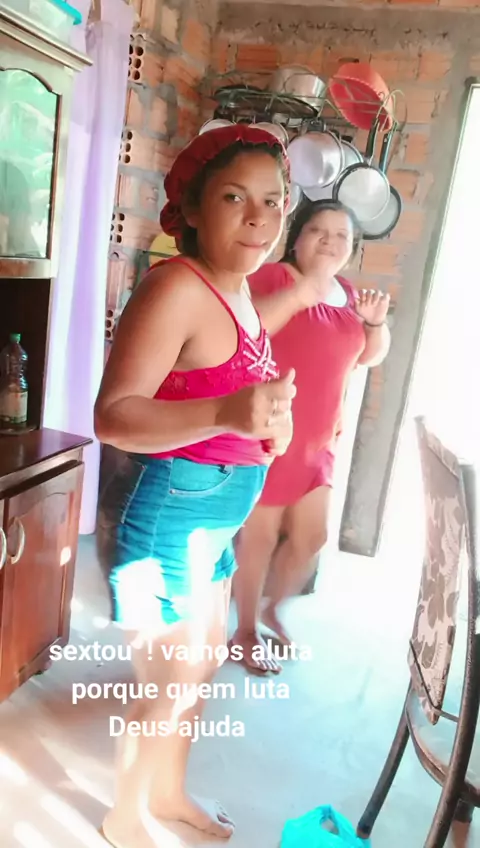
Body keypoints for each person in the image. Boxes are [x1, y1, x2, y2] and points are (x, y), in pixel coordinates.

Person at [94, 124, 296, 847]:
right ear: (193, 208)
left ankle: (168, 792)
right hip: (171, 511)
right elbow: (113, 417)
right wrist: (226, 414)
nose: (259, 217)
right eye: (235, 197)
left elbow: (234, 401)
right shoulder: (175, 287)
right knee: (168, 679)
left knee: (200, 664)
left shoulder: (238, 292)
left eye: (273, 200)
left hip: (215, 514)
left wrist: (271, 429)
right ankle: (125, 817)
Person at [231, 199, 391, 674]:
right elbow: (246, 328)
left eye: (342, 235)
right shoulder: (274, 278)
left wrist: (375, 323)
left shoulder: (347, 293)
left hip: (319, 441)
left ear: (352, 248)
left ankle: (273, 609)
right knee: (259, 539)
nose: (329, 241)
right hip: (271, 432)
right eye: (318, 230)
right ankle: (244, 632)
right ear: (296, 237)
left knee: (312, 536)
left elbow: (368, 356)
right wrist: (300, 294)